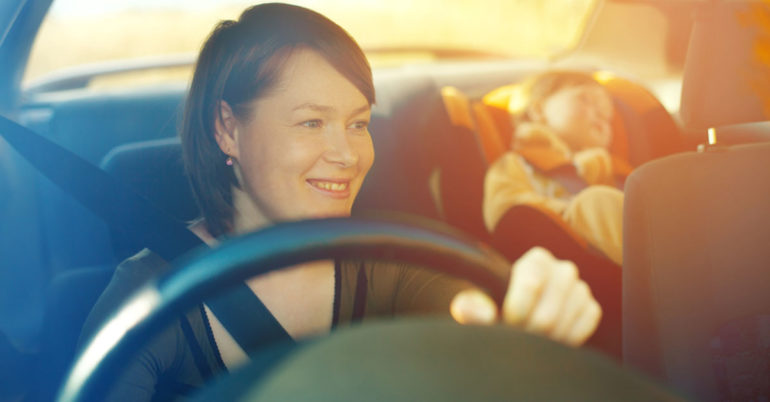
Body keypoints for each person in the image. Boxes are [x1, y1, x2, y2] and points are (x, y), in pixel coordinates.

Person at [79, 4, 602, 400]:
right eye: (311, 123)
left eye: (357, 124)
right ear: (227, 129)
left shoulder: (389, 260)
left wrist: (524, 321)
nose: (348, 155)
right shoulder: (148, 297)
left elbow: (471, 318)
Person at [483, 71, 628, 265]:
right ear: (539, 111)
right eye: (586, 100)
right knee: (595, 201)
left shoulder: (614, 168)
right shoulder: (519, 163)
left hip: (622, 260)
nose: (602, 114)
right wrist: (571, 214)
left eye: (608, 115)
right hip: (563, 251)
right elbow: (506, 209)